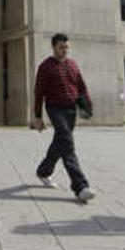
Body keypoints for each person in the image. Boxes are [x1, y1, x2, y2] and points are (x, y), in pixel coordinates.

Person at [32, 33, 95, 202]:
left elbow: (82, 87)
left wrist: (88, 105)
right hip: (54, 108)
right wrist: (38, 116)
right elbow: (38, 93)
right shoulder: (45, 67)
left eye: (66, 47)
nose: (65, 50)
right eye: (61, 47)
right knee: (67, 142)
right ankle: (80, 186)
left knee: (60, 142)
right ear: (54, 47)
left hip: (71, 109)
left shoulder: (72, 65)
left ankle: (43, 171)